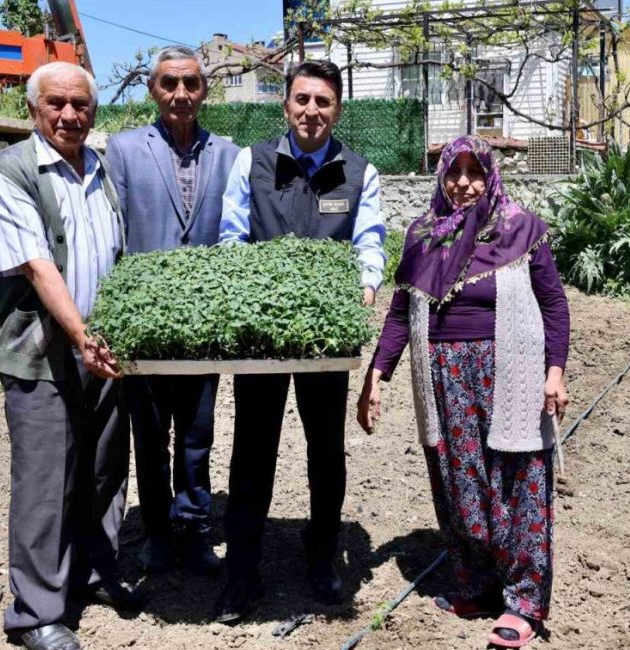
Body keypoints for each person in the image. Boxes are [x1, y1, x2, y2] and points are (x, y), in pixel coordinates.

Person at [357, 135, 570, 649]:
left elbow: (554, 306)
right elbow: (399, 314)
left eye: (475, 173)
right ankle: (475, 586)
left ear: (491, 175)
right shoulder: (423, 233)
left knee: (517, 482)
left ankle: (523, 602)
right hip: (443, 377)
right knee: (458, 480)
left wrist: (555, 372)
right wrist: (377, 374)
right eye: (455, 172)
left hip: (509, 372)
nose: (464, 184)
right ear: (442, 176)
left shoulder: (521, 228)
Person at [0, 61, 141, 650]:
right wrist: (79, 336)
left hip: (103, 346)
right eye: (57, 104)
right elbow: (38, 265)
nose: (70, 114)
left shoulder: (98, 167)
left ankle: (94, 574)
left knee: (102, 469)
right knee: (46, 479)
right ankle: (35, 613)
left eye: (80, 104)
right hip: (44, 350)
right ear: (33, 110)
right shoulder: (10, 173)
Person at [216, 59, 386, 624]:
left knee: (325, 450)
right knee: (253, 449)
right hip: (260, 336)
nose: (312, 110)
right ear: (285, 105)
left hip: (325, 339)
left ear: (338, 109)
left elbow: (369, 244)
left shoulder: (359, 172)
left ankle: (321, 559)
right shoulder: (253, 161)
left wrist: (364, 288)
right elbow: (232, 238)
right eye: (302, 99)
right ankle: (241, 573)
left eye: (324, 101)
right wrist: (260, 295)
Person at [106, 46, 239, 576]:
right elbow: (115, 238)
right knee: (150, 435)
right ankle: (158, 534)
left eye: (190, 83)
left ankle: (194, 528)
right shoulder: (123, 149)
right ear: (152, 90)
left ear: (204, 90)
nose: (180, 94)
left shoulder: (229, 153)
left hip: (205, 326)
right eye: (169, 84)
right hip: (145, 329)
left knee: (197, 436)